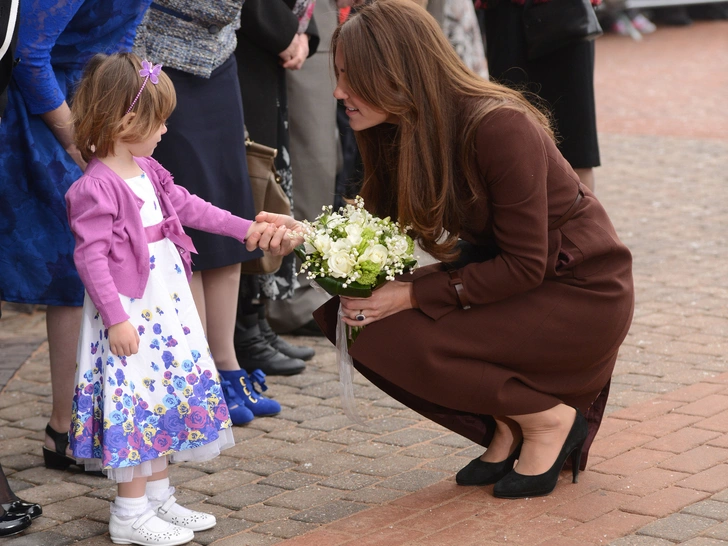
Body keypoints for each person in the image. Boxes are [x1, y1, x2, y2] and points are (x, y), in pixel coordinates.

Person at [258, 0, 634, 499]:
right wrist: (307, 235)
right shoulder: (394, 126)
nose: (338, 91)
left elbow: (526, 265)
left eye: (352, 77)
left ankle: (547, 421)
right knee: (360, 320)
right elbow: (372, 230)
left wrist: (414, 294)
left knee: (400, 326)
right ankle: (507, 424)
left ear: (398, 73)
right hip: (512, 279)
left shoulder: (500, 126)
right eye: (340, 74)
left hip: (577, 292)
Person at [65, 53, 297, 545]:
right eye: (159, 121)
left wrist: (248, 228)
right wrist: (116, 320)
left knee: (162, 393)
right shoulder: (95, 187)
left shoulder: (147, 168)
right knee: (137, 401)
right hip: (131, 312)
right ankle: (129, 512)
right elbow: (92, 261)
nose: (166, 130)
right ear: (126, 120)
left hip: (163, 306)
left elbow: (188, 206)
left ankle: (158, 498)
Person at [0, 0, 153, 472]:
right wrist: (72, 138)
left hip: (89, 105)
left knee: (79, 271)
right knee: (61, 265)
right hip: (35, 109)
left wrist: (112, 118)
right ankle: (64, 430)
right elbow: (28, 53)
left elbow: (119, 45)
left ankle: (67, 429)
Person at [133, 0, 282, 423]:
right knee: (189, 228)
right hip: (160, 66)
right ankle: (200, 377)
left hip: (220, 61)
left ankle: (228, 365)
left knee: (229, 209)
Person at [479, 0, 601, 192]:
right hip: (506, 13)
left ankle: (581, 221)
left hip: (565, 12)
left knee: (576, 147)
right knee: (510, 142)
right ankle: (524, 220)